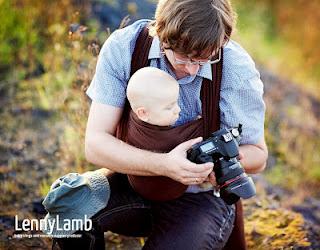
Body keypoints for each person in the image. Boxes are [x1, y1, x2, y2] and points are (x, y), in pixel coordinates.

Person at [57, 0, 268, 249]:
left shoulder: (236, 68)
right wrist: (165, 165)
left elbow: (258, 155)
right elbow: (95, 145)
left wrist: (217, 162)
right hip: (134, 181)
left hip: (200, 197)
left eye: (204, 60)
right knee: (67, 213)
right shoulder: (125, 48)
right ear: (161, 34)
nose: (191, 70)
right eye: (183, 58)